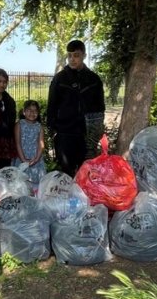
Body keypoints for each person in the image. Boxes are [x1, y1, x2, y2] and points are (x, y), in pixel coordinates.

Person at [47, 39, 105, 176]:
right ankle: (66, 197)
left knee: (85, 172)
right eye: (70, 55)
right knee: (66, 172)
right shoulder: (59, 79)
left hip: (86, 134)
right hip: (64, 132)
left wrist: (97, 130)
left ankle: (82, 197)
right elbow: (52, 105)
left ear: (84, 56)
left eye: (76, 55)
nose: (72, 59)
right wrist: (52, 128)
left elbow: (100, 107)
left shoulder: (94, 79)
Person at [14, 99, 46, 190]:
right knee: (22, 183)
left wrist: (36, 159)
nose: (32, 113)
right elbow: (18, 143)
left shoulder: (39, 126)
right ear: (24, 112)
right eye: (29, 110)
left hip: (35, 158)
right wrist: (23, 159)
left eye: (35, 110)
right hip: (22, 157)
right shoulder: (19, 124)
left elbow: (41, 143)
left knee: (36, 185)